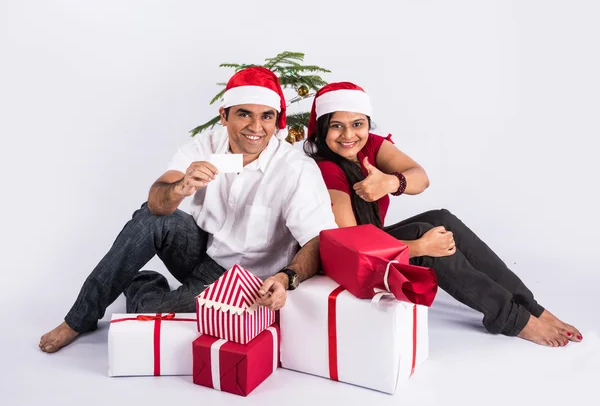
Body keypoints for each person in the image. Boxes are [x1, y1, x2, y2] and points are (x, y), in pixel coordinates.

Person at [39, 67, 338, 353]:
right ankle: (78, 319)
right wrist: (181, 186)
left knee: (148, 310)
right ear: (224, 115)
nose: (256, 127)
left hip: (244, 280)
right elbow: (156, 201)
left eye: (266, 117)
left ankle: (139, 281)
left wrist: (286, 278)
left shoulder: (295, 169)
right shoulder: (206, 144)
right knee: (150, 219)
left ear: (277, 122)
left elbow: (318, 241)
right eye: (244, 114)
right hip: (201, 251)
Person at [304, 82, 582, 347]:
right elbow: (351, 248)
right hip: (338, 265)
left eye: (357, 124)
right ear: (322, 129)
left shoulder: (371, 146)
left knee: (441, 218)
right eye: (336, 126)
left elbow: (420, 178)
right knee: (421, 234)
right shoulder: (327, 169)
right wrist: (419, 247)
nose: (348, 135)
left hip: (369, 249)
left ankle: (529, 306)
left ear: (368, 124)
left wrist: (390, 182)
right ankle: (514, 319)